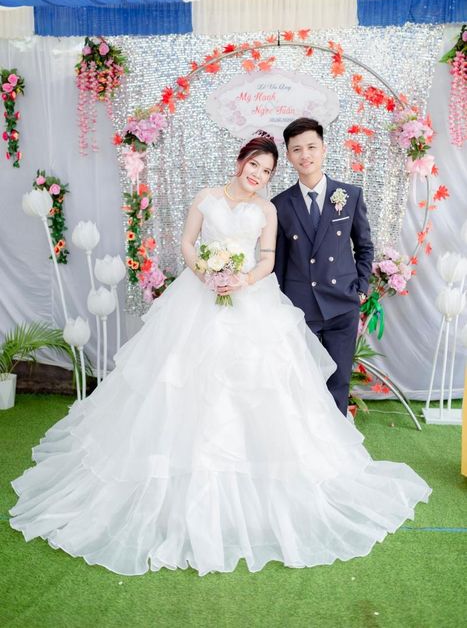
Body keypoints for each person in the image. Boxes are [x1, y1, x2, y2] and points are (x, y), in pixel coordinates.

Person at [10, 134, 430, 577]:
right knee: (180, 379)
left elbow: (267, 259)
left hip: (250, 298)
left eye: (267, 171)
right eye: (254, 165)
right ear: (241, 161)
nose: (258, 175)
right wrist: (206, 273)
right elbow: (188, 244)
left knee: (261, 387)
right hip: (197, 297)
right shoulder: (206, 197)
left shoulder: (268, 210)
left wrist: (240, 280)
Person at [272, 118, 374, 416]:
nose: (305, 155)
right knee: (301, 381)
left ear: (324, 149)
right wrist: (280, 305)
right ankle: (304, 438)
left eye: (311, 147)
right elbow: (278, 263)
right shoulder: (280, 204)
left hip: (342, 303)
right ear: (288, 155)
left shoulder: (350, 195)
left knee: (339, 381)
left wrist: (361, 289)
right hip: (300, 307)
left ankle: (337, 440)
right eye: (297, 149)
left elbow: (364, 247)